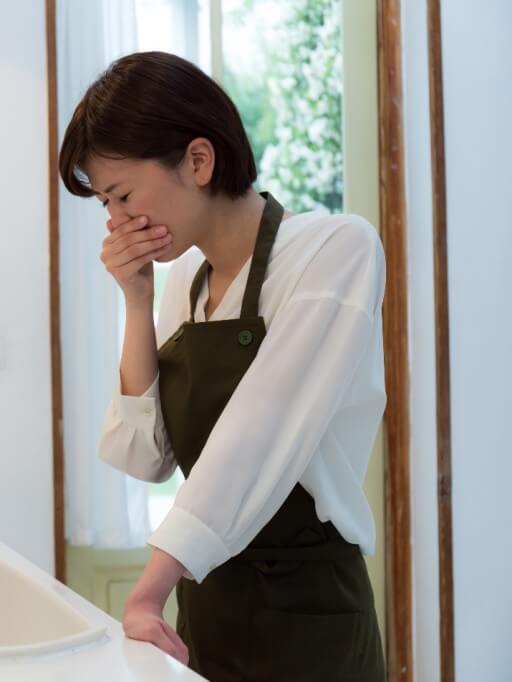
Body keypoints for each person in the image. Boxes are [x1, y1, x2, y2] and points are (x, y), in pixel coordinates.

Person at [58, 51, 387, 681]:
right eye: (105, 204)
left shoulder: (335, 250)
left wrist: (148, 590)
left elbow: (256, 436)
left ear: (199, 161)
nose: (116, 220)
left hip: (308, 616)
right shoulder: (184, 279)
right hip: (205, 609)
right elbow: (142, 454)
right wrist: (135, 299)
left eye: (122, 194)